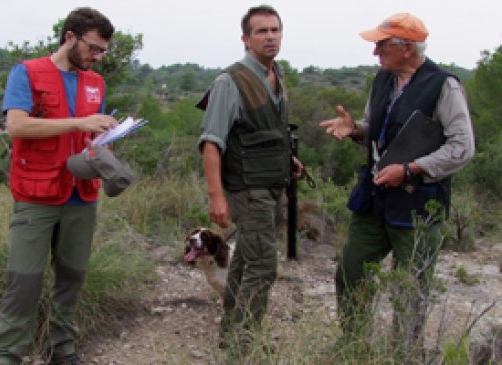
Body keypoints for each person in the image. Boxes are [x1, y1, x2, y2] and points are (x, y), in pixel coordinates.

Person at [319, 12, 475, 352]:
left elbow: (463, 147)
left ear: (407, 48)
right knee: (351, 271)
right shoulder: (383, 81)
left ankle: (404, 354)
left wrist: (411, 169)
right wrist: (357, 130)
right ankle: (354, 346)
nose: (375, 53)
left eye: (382, 45)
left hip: (419, 204)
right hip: (374, 199)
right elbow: (378, 129)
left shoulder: (444, 86)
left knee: (410, 287)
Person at [0, 7, 116, 365]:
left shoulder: (96, 83)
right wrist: (79, 123)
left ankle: (62, 350)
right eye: (94, 49)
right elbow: (17, 127)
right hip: (36, 194)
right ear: (70, 37)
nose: (98, 58)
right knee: (24, 282)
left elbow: (92, 133)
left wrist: (105, 135)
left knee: (72, 277)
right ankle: (7, 355)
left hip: (82, 193)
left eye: (103, 51)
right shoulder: (27, 73)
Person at [196, 5, 302, 351]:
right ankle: (246, 346)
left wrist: (289, 160)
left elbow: (267, 131)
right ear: (246, 38)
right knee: (263, 267)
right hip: (248, 189)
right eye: (261, 31)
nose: (270, 37)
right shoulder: (231, 81)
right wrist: (217, 196)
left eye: (275, 30)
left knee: (244, 263)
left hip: (271, 186)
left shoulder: (277, 74)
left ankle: (232, 336)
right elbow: (212, 143)